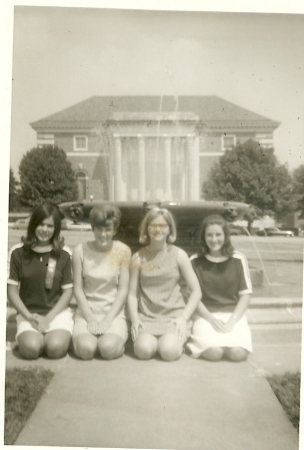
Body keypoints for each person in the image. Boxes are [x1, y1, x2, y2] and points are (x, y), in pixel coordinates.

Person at [128, 207, 201, 361]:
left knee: (169, 352)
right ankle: (154, 341)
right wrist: (135, 319)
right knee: (143, 351)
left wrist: (184, 317)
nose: (157, 229)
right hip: (147, 318)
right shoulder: (137, 258)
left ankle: (173, 342)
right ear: (146, 229)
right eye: (153, 225)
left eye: (162, 226)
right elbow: (132, 294)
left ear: (170, 230)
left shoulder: (179, 255)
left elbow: (196, 291)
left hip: (173, 317)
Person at [7, 203, 74, 360]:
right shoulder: (18, 252)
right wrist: (29, 317)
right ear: (33, 225)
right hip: (29, 315)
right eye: (41, 224)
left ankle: (59, 337)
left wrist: (48, 319)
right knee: (31, 350)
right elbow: (11, 292)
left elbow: (68, 292)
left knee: (55, 349)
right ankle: (28, 339)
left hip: (57, 315)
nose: (45, 230)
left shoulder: (64, 254)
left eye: (50, 226)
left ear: (56, 229)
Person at [186, 214, 252, 362]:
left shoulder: (238, 259)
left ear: (226, 236)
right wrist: (211, 319)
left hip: (232, 316)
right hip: (205, 316)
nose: (214, 239)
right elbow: (193, 297)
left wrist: (232, 321)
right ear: (203, 237)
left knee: (238, 354)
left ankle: (228, 345)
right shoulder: (195, 261)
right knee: (214, 353)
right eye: (209, 235)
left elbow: (245, 295)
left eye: (218, 234)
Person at [72, 205, 131, 360]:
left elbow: (123, 290)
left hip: (113, 313)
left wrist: (108, 319)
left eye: (108, 229)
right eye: (99, 229)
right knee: (86, 350)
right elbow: (77, 290)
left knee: (108, 349)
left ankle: (113, 339)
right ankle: (87, 339)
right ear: (93, 228)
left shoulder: (123, 251)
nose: (103, 234)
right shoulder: (80, 250)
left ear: (115, 230)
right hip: (87, 312)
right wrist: (90, 319)